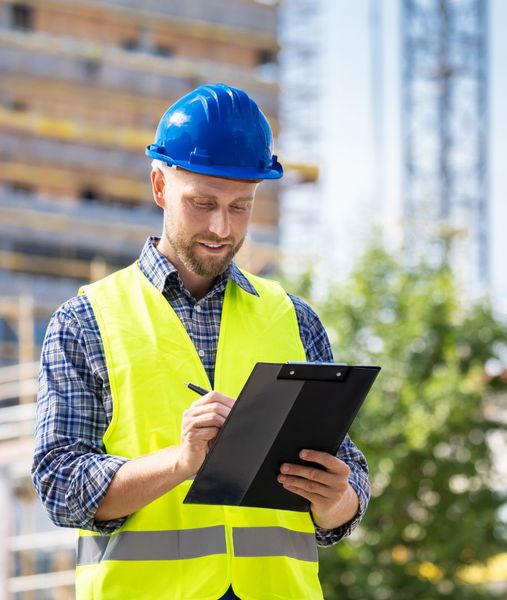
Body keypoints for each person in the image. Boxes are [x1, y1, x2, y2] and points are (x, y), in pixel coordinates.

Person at [32, 83, 370, 599]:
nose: (221, 227)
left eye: (241, 207)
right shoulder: (86, 321)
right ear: (160, 187)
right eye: (203, 203)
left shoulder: (294, 319)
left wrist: (336, 498)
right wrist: (181, 462)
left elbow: (349, 480)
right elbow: (60, 485)